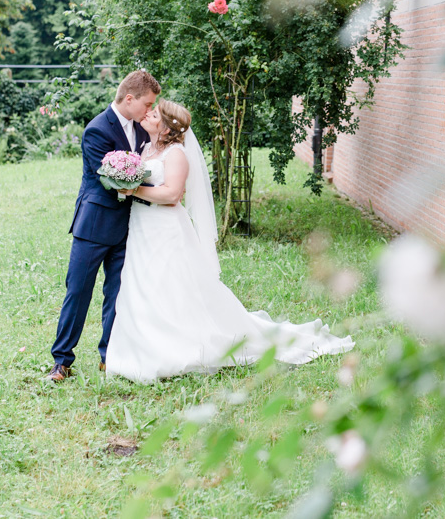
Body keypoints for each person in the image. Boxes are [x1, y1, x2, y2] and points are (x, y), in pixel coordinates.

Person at [105, 99, 354, 383]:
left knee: (167, 284)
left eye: (154, 114)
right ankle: (140, 349)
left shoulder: (176, 154)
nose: (148, 114)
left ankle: (174, 349)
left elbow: (173, 195)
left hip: (165, 229)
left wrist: (133, 189)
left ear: (166, 127)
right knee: (141, 283)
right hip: (141, 226)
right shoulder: (145, 148)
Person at [47, 70, 160, 382]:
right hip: (95, 224)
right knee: (78, 291)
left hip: (129, 226)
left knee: (117, 293)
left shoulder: (142, 128)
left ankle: (109, 356)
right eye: (147, 104)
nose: (150, 110)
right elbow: (108, 180)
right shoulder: (97, 129)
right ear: (129, 99)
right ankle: (62, 360)